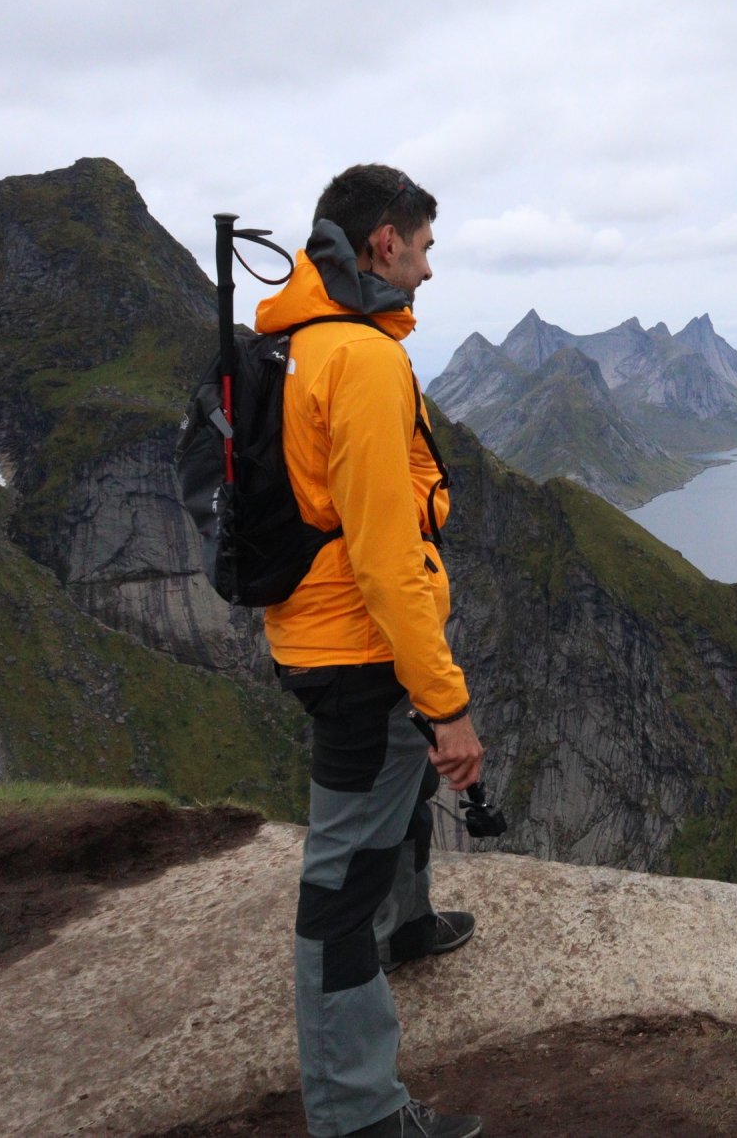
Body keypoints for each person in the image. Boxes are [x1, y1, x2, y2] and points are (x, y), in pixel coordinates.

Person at [254, 164, 485, 1138]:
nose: (429, 270)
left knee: (403, 779)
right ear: (384, 243)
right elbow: (387, 560)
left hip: (313, 629)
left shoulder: (297, 342)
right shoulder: (364, 359)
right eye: (424, 248)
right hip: (359, 647)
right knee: (341, 884)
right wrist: (446, 702)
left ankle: (410, 922)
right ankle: (357, 1112)